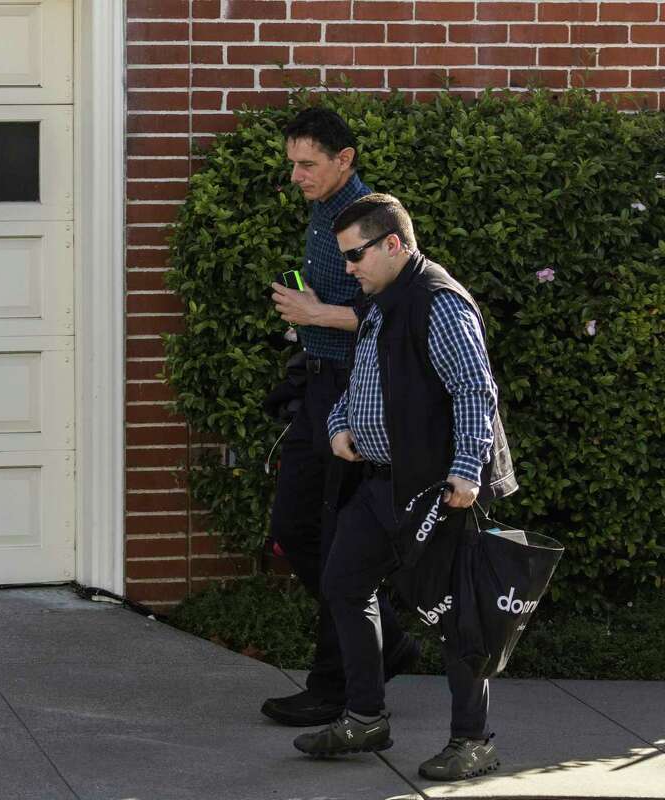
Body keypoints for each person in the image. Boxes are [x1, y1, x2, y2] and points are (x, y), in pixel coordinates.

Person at [293, 193, 518, 782]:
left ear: (393, 243)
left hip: (437, 490)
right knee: (342, 584)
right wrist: (340, 423)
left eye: (355, 254)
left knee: (458, 617)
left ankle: (473, 741)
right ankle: (366, 716)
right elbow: (362, 381)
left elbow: (475, 389)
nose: (348, 268)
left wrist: (468, 472)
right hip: (380, 487)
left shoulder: (436, 302)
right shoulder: (380, 301)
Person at [260, 108, 419, 727]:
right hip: (320, 389)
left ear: (344, 159)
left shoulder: (368, 220)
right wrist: (309, 313)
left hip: (357, 395)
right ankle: (385, 644)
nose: (296, 174)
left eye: (308, 164)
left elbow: (394, 308)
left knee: (332, 541)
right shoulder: (319, 212)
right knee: (295, 529)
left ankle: (335, 684)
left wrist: (316, 313)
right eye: (292, 163)